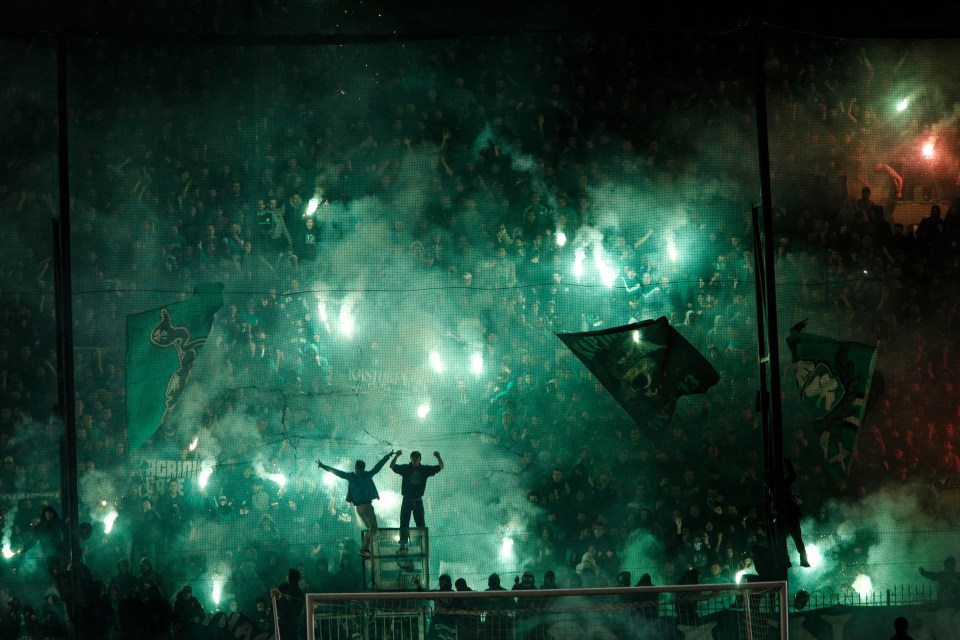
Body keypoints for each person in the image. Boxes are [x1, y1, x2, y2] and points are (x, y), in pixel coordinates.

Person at [317, 451, 396, 557]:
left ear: (355, 467)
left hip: (358, 508)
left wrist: (323, 466)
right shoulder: (367, 475)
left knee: (371, 529)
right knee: (373, 528)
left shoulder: (351, 476)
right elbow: (378, 466)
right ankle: (364, 549)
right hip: (366, 506)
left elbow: (337, 472)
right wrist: (388, 456)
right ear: (363, 468)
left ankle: (366, 549)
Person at [390, 450, 444, 552]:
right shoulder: (406, 468)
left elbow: (441, 466)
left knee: (420, 523)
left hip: (417, 500)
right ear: (410, 459)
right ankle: (403, 546)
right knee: (404, 522)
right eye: (413, 457)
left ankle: (422, 544)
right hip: (407, 500)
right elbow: (392, 466)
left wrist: (438, 456)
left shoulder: (424, 470)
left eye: (417, 457)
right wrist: (396, 456)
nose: (415, 459)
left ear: (420, 459)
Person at [272, 568, 305, 640]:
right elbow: (275, 600)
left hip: (292, 625)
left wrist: (282, 598)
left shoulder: (299, 593)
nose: (286, 576)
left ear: (292, 577)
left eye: (288, 575)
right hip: (280, 623)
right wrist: (271, 607)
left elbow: (296, 611)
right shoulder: (282, 586)